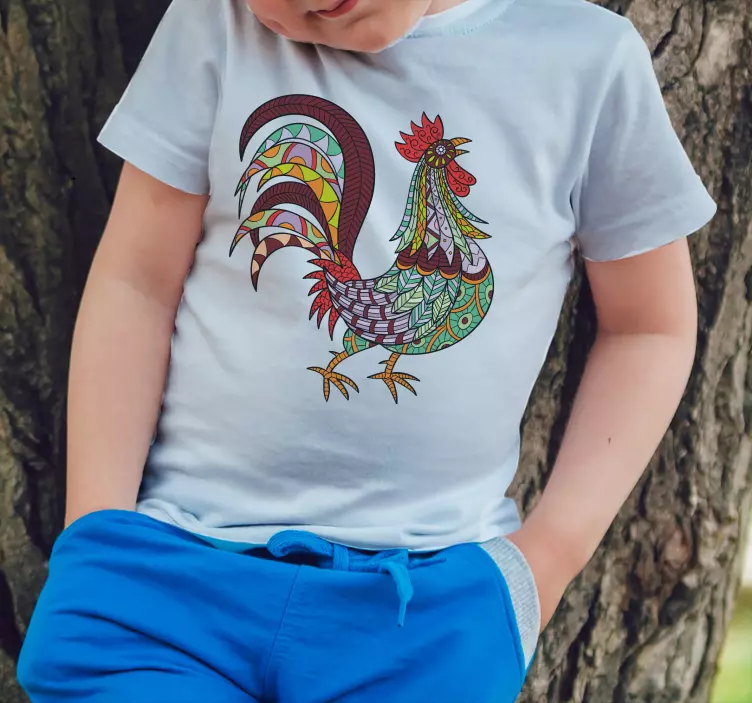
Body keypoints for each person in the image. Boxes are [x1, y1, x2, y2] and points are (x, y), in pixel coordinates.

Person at [17, 0, 717, 701]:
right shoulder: (217, 20)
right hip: (169, 584)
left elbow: (647, 326)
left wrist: (546, 560)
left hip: (424, 613)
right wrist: (95, 532)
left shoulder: (586, 62)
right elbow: (139, 282)